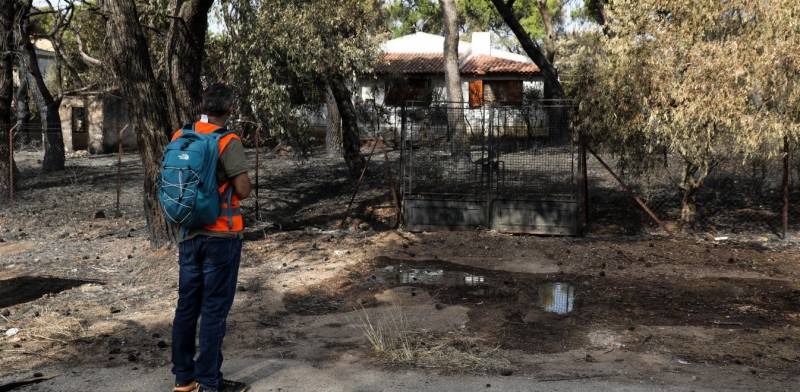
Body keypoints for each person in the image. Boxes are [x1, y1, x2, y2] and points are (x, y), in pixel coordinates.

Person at [170, 83, 251, 392]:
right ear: (230, 110)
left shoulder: (182, 136)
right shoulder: (228, 141)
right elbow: (242, 190)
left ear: (204, 106)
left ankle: (184, 379)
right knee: (214, 309)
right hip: (221, 236)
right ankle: (210, 382)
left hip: (188, 232)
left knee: (187, 306)